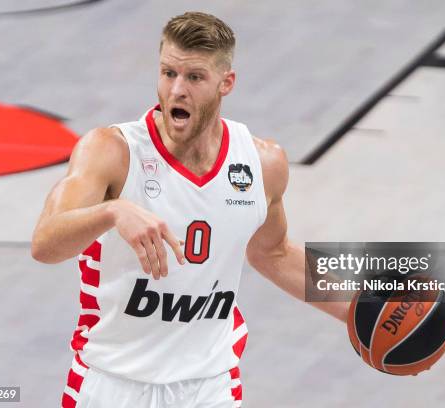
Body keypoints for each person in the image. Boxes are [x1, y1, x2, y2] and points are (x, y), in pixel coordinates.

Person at [32, 11, 348, 408]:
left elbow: (273, 251)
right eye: (168, 73)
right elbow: (45, 243)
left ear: (225, 83)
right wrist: (111, 212)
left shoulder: (261, 163)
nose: (176, 90)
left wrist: (361, 307)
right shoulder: (111, 151)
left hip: (208, 385)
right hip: (113, 383)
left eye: (194, 77)